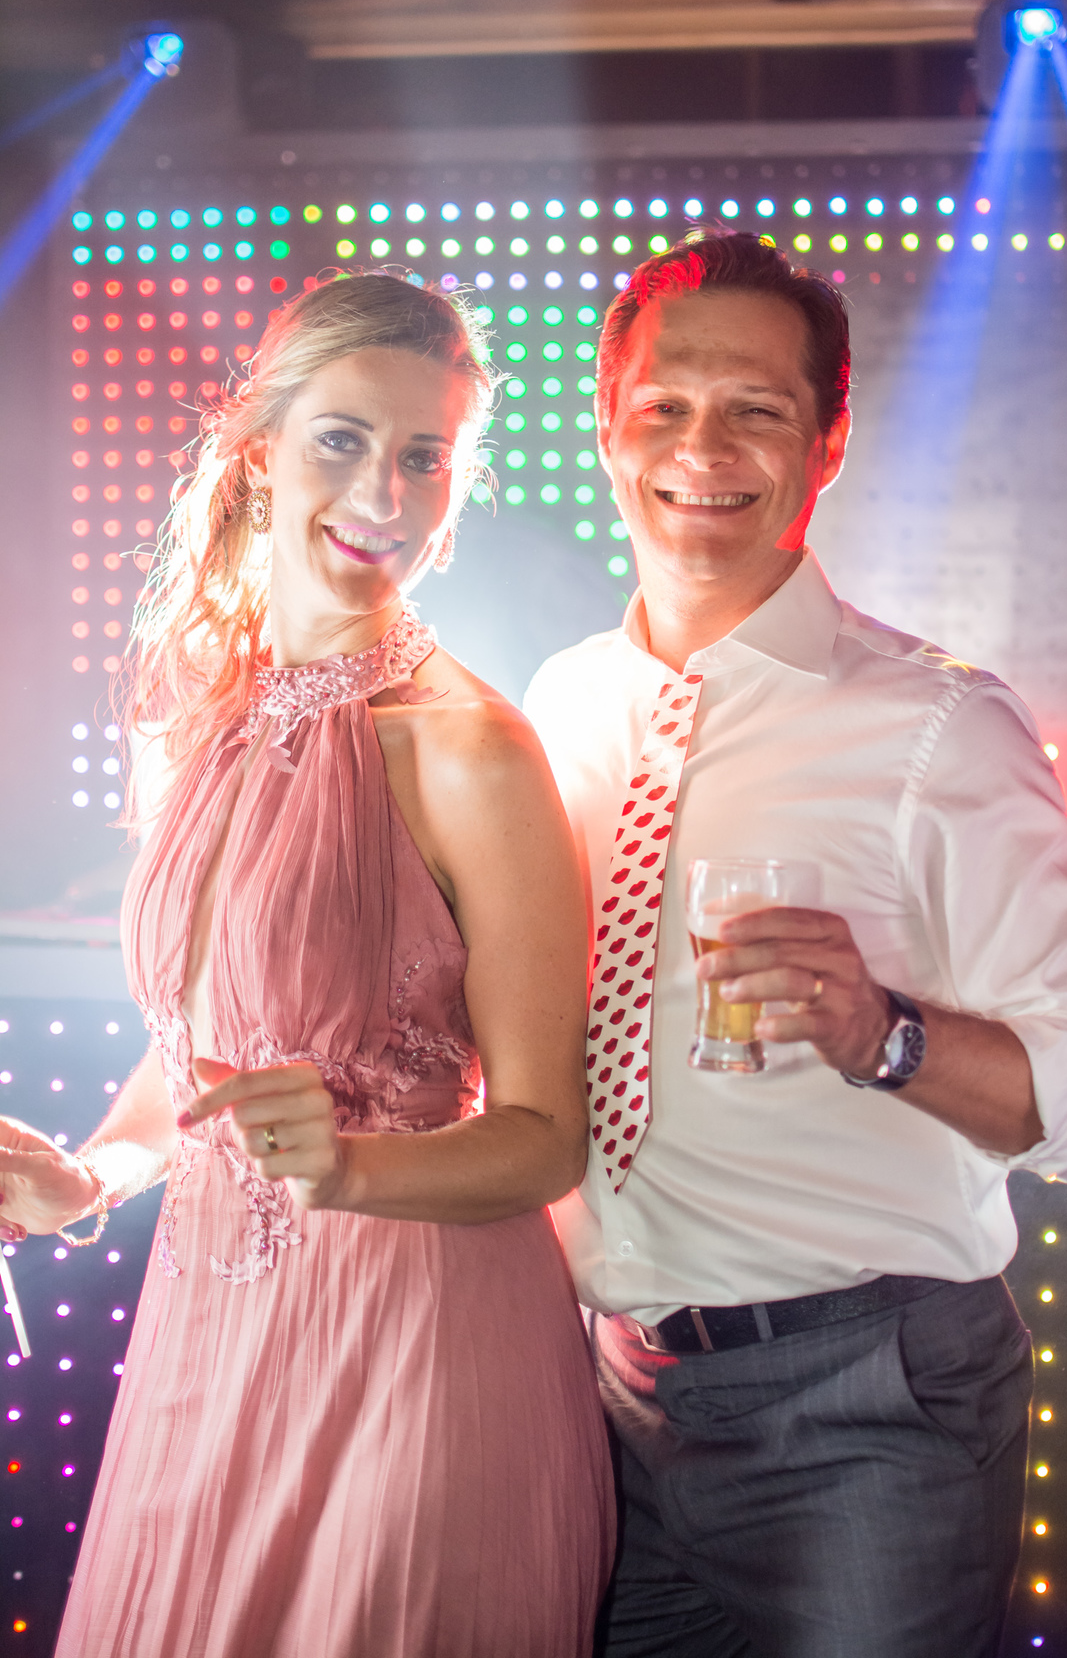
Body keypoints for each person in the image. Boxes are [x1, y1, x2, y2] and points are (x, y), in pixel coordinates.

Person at [523, 229, 1067, 1658]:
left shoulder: (939, 724)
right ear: (609, 432)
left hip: (863, 1408)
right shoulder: (556, 709)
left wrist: (887, 1035)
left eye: (757, 408)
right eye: (666, 406)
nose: (704, 448)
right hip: (607, 1401)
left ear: (829, 442)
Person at [0, 272, 614, 1657]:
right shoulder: (197, 718)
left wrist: (346, 1168)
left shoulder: (472, 748)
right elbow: (204, 1059)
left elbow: (544, 1138)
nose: (386, 493)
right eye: (343, 439)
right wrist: (91, 1177)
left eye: (425, 457)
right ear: (258, 447)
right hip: (207, 1348)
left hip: (417, 1352)